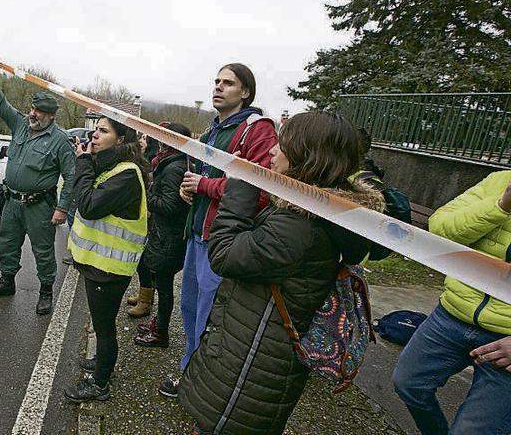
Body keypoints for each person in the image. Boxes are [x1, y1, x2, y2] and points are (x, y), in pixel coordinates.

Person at [178, 111, 384, 434]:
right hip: (254, 351)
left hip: (251, 367)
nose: (272, 151)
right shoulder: (313, 211)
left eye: (282, 144)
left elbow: (225, 254)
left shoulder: (298, 226)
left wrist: (241, 184)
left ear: (307, 156)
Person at [159, 63, 278, 397]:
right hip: (196, 236)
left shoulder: (257, 129)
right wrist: (189, 190)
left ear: (246, 92)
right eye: (216, 81)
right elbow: (203, 177)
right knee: (192, 311)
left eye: (228, 83)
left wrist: (206, 186)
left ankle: (208, 385)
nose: (218, 87)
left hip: (223, 240)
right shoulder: (212, 129)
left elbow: (260, 189)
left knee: (213, 319)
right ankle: (190, 372)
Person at [392, 170, 511, 434]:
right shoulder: (498, 181)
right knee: (408, 383)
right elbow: (441, 228)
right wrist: (500, 206)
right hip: (452, 314)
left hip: (505, 342)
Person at [0, 57, 76, 315]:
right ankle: (7, 281)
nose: (33, 114)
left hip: (39, 205)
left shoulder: (60, 140)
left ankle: (45, 292)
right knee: (7, 243)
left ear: (51, 115)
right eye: (32, 108)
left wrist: (63, 208)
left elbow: (72, 176)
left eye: (39, 111)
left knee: (43, 251)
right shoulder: (20, 124)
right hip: (11, 202)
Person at [63, 116, 150, 402]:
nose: (94, 135)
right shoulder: (113, 166)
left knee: (104, 327)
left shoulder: (126, 173)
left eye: (103, 131)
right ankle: (102, 364)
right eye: (95, 129)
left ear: (121, 139)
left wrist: (84, 163)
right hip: (99, 264)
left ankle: (100, 384)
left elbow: (88, 205)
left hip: (109, 268)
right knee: (103, 325)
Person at [132, 122, 192, 346]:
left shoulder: (174, 167)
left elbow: (170, 205)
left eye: (163, 136)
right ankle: (158, 324)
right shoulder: (170, 162)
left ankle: (161, 333)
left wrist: (146, 195)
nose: (158, 140)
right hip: (164, 234)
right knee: (158, 280)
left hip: (170, 237)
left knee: (165, 287)